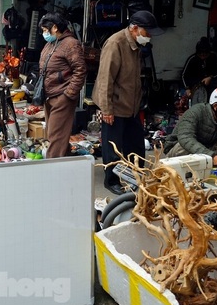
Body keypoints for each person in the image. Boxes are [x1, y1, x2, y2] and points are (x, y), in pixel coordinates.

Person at [92, 10, 164, 195]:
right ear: (134, 29)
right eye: (146, 32)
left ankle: (137, 176)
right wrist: (107, 109)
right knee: (112, 146)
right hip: (114, 105)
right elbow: (105, 79)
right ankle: (111, 180)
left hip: (131, 105)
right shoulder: (115, 43)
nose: (148, 37)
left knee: (136, 144)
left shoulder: (136, 45)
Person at [36, 12, 87, 158]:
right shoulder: (50, 43)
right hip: (49, 95)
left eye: (46, 30)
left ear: (55, 28)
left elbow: (80, 70)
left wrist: (69, 94)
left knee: (55, 136)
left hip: (62, 95)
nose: (44, 33)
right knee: (55, 134)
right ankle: (64, 166)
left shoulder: (71, 44)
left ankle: (51, 170)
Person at [182, 36, 217, 106]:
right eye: (200, 53)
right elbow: (183, 75)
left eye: (205, 53)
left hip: (211, 85)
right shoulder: (192, 59)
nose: (203, 55)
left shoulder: (213, 56)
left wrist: (210, 77)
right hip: (196, 85)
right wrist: (187, 88)